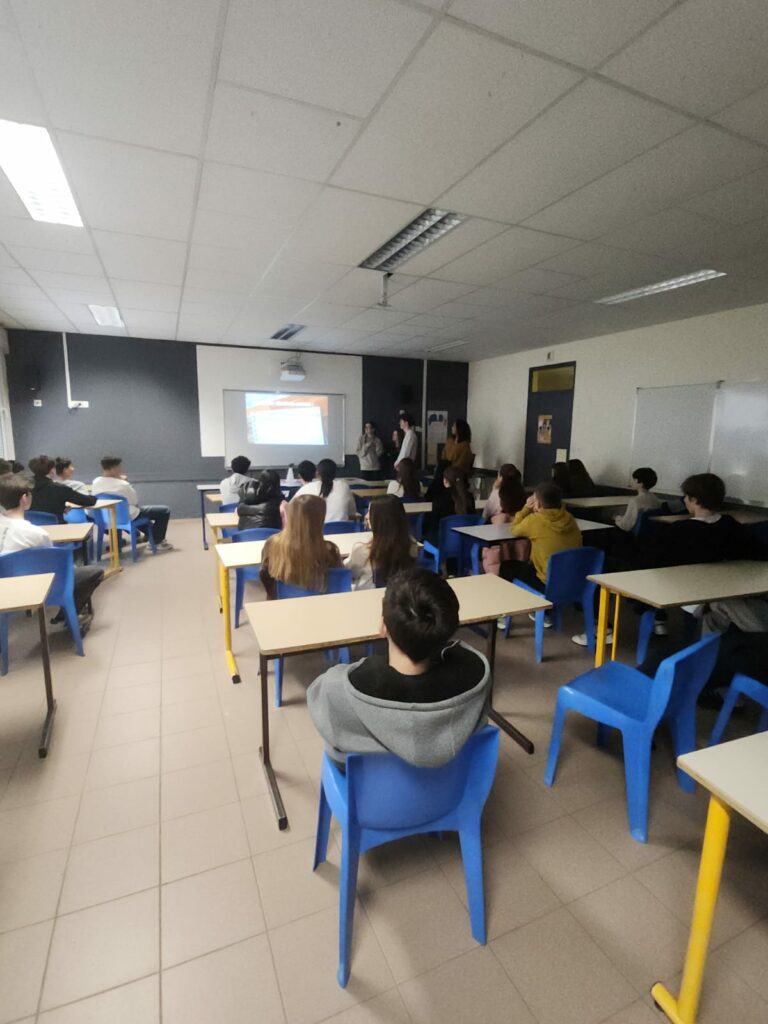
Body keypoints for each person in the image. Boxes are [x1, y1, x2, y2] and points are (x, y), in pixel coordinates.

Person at [307, 567, 491, 767]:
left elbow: (319, 707)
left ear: (382, 626)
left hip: (370, 785)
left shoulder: (336, 689)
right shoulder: (478, 678)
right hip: (454, 783)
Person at [0, 473, 104, 632]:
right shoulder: (35, 533)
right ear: (24, 499)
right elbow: (51, 564)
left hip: (6, 586)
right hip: (36, 585)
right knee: (93, 572)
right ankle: (67, 616)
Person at [642, 473, 759, 568]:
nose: (685, 500)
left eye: (686, 496)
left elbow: (652, 560)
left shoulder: (679, 530)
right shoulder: (732, 526)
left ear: (694, 500)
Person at [499, 481, 582, 592]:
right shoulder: (570, 518)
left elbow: (514, 529)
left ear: (537, 504)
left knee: (507, 567)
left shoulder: (536, 520)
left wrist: (526, 508)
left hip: (547, 582)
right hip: (573, 579)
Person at [259, 494, 342, 600]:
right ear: (320, 520)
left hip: (281, 604)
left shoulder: (271, 544)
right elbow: (338, 581)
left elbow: (265, 576)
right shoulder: (329, 550)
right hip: (320, 605)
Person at [91, 456, 173, 550]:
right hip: (126, 516)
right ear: (113, 469)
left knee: (140, 515)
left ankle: (149, 536)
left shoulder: (96, 482)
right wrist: (125, 482)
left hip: (106, 517)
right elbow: (134, 501)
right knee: (164, 511)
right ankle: (156, 542)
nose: (120, 470)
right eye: (119, 468)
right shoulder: (123, 484)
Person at [346, 495, 418, 590]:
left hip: (368, 595)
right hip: (400, 594)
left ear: (380, 519)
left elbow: (349, 572)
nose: (366, 516)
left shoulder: (362, 550)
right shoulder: (412, 544)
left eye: (370, 512)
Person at [481, 464, 528, 575]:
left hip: (498, 572)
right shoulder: (528, 520)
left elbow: (484, 515)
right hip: (523, 568)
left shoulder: (494, 521)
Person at [28, 455, 97, 521]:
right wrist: (95, 497)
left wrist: (61, 508)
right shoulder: (60, 489)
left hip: (31, 526)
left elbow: (38, 507)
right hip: (57, 526)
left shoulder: (25, 488)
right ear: (52, 470)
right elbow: (88, 501)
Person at [293, 458, 355, 523]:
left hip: (317, 528)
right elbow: (352, 512)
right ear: (335, 473)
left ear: (317, 473)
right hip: (343, 528)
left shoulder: (307, 488)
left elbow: (291, 509)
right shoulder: (344, 486)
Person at [426, 466, 473, 545]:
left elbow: (434, 525)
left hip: (443, 542)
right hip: (466, 542)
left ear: (445, 481)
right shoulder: (470, 498)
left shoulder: (440, 498)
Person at [613, 467, 662, 533]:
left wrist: (617, 518)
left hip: (633, 535)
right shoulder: (656, 500)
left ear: (640, 483)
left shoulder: (634, 501)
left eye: (634, 479)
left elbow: (626, 526)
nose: (632, 482)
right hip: (649, 534)